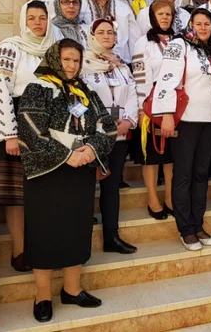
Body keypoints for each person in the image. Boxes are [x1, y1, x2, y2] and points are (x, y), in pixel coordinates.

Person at [17, 39, 116, 322]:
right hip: (47, 172)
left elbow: (107, 127)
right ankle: (43, 296)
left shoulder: (85, 92)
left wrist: (90, 150)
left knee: (76, 230)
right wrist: (66, 156)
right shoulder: (38, 88)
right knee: (45, 233)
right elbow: (31, 129)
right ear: (54, 59)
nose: (71, 65)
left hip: (80, 171)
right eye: (66, 60)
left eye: (75, 60)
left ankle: (72, 290)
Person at [0, 0, 56, 273]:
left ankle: (43, 245)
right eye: (32, 18)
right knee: (17, 195)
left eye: (42, 17)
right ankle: (20, 249)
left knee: (43, 191)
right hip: (17, 123)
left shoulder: (55, 47)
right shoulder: (8, 48)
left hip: (48, 125)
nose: (38, 22)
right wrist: (9, 135)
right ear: (23, 20)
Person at [152, 9, 211, 251]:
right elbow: (165, 80)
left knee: (201, 174)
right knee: (183, 175)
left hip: (209, 120)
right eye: (199, 23)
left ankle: (198, 224)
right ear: (190, 24)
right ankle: (186, 229)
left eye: (207, 24)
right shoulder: (178, 45)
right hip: (186, 121)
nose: (203, 28)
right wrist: (167, 116)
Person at [81, 19, 139, 254]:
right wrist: (102, 124)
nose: (106, 36)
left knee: (111, 185)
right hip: (93, 136)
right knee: (85, 185)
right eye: (101, 32)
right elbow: (80, 99)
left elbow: (133, 94)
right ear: (93, 36)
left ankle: (111, 236)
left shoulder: (122, 67)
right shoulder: (83, 63)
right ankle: (80, 234)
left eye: (110, 32)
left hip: (119, 135)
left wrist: (129, 121)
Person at [132, 0, 177, 220]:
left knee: (171, 155)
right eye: (161, 14)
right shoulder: (143, 43)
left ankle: (169, 196)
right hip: (151, 104)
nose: (165, 17)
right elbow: (141, 78)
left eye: (169, 14)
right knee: (151, 155)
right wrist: (142, 109)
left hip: (175, 107)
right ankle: (152, 198)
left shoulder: (179, 41)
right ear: (152, 16)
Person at [79, 0, 141, 64]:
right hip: (88, 67)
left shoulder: (124, 9)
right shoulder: (78, 6)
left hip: (120, 66)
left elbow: (135, 42)